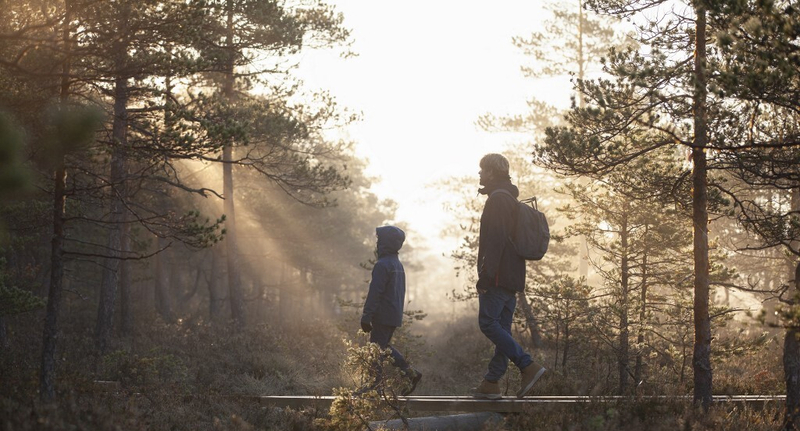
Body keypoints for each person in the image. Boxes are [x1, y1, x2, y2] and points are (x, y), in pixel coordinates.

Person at [473, 153, 546, 399]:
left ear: (492, 172)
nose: (480, 174)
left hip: (498, 277)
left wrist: (485, 275)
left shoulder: (498, 200)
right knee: (502, 327)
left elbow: (496, 240)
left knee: (488, 323)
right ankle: (492, 382)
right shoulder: (509, 199)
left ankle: (527, 365)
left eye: (483, 170)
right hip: (513, 276)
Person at [360, 225, 422, 396]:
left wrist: (366, 316)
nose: (377, 243)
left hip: (382, 315)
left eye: (380, 240)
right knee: (382, 348)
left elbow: (375, 292)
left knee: (375, 349)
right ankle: (409, 374)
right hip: (393, 315)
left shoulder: (382, 265)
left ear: (385, 243)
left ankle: (376, 386)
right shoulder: (397, 264)